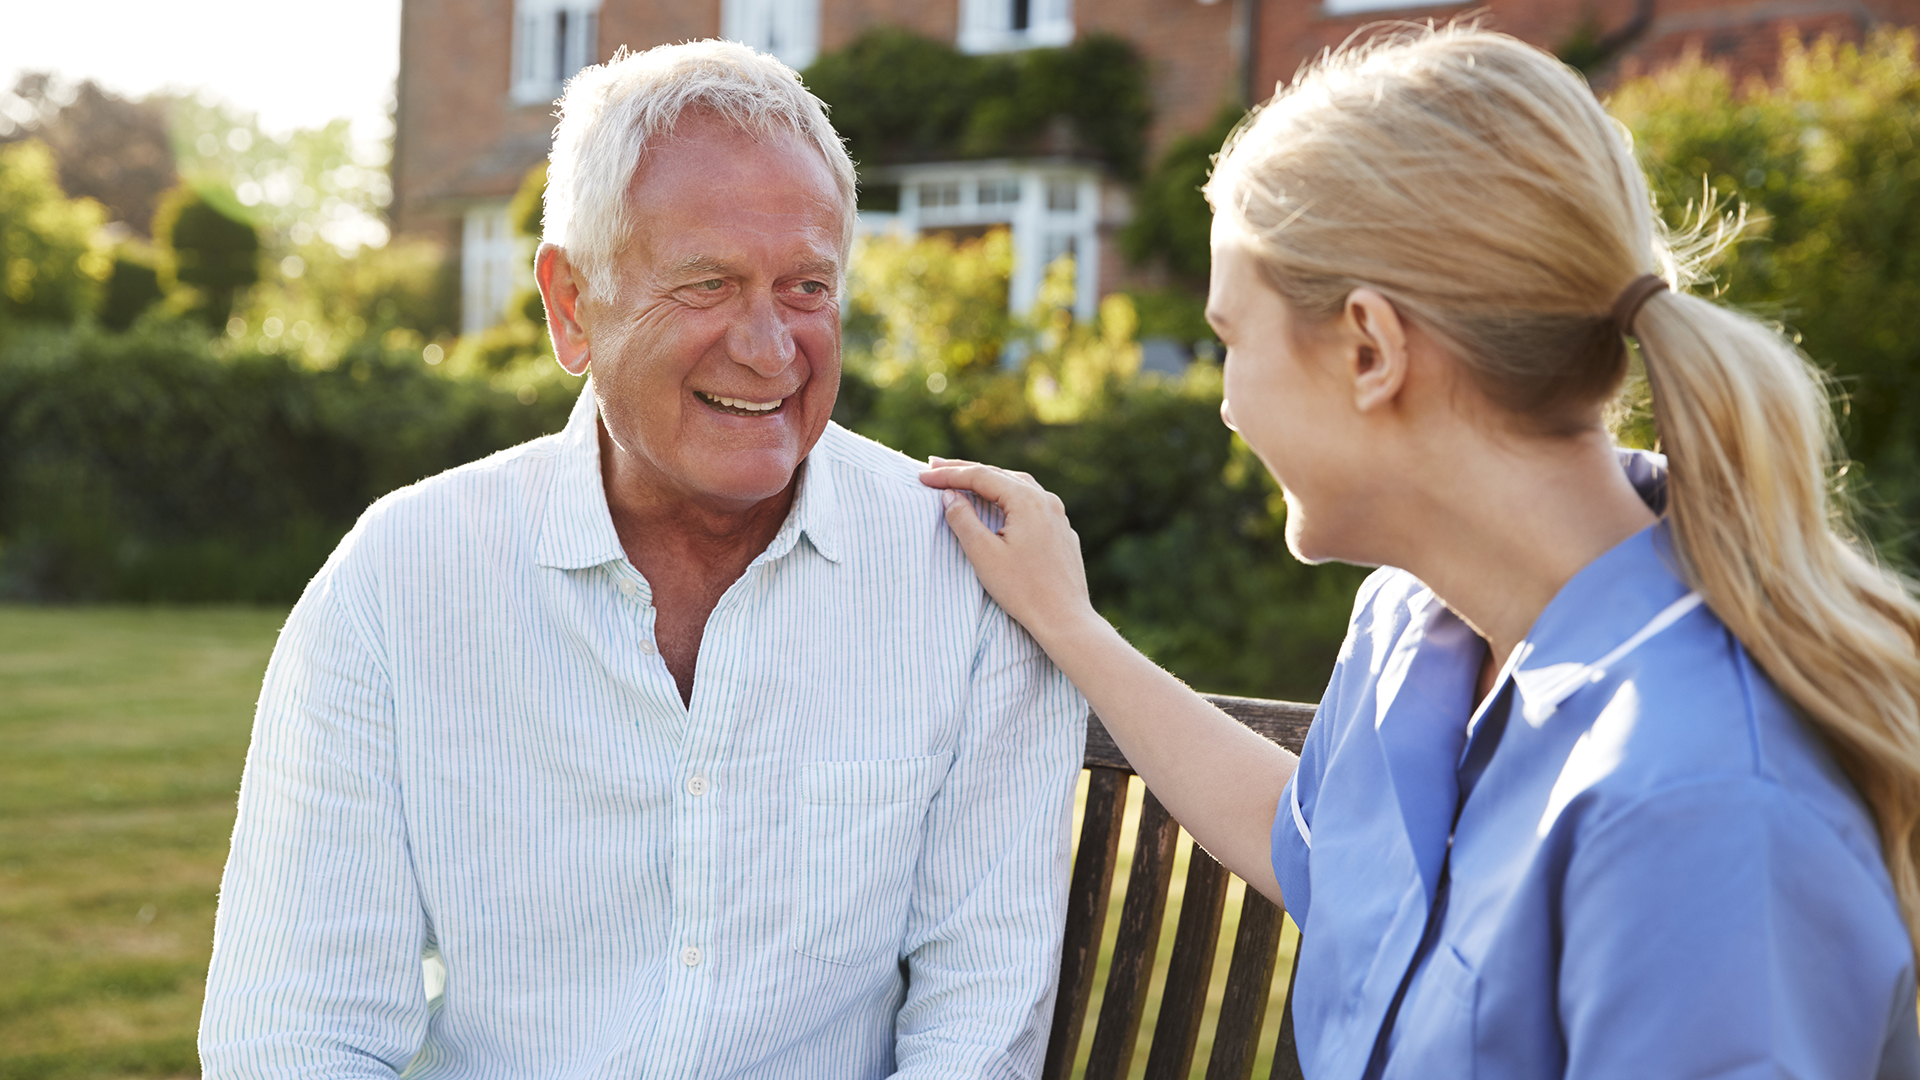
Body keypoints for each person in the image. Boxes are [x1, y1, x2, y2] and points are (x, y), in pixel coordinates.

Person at [923, 25, 1920, 1080]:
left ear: (1370, 349)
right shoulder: (1414, 623)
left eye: (1232, 338)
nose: (1224, 402)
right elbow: (1310, 846)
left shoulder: (1702, 810)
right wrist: (1070, 627)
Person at [199, 41, 1085, 1078]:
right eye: (707, 284)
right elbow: (296, 1029)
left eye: (807, 287)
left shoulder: (961, 576)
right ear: (571, 305)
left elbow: (981, 1022)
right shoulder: (402, 579)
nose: (769, 347)